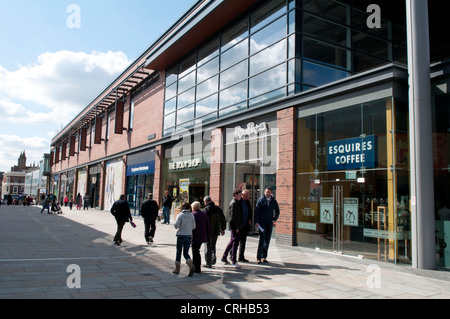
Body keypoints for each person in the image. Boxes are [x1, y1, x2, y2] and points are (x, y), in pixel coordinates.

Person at [254, 187, 280, 264]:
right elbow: (257, 211)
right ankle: (258, 257)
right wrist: (257, 222)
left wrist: (274, 219)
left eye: (269, 192)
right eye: (267, 192)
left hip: (269, 223)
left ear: (271, 193)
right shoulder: (261, 200)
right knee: (262, 240)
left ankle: (264, 257)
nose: (268, 193)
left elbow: (277, 211)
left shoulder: (273, 201)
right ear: (264, 192)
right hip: (262, 223)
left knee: (267, 240)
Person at [173, 202, 196, 277]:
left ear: (182, 208)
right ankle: (190, 265)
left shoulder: (180, 215)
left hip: (181, 235)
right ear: (189, 207)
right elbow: (194, 227)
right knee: (186, 252)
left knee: (178, 252)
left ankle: (177, 269)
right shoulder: (192, 215)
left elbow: (176, 226)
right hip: (189, 235)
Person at [221, 189, 242, 268]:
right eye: (239, 194)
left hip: (235, 226)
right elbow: (233, 217)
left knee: (232, 241)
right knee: (235, 243)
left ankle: (224, 256)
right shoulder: (234, 203)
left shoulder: (236, 202)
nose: (240, 196)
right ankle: (233, 260)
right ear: (235, 195)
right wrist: (236, 227)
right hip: (234, 226)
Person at [203, 196, 226, 268]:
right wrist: (223, 229)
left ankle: (208, 262)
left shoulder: (206, 210)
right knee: (213, 245)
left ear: (206, 202)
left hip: (208, 231)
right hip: (216, 231)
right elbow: (223, 219)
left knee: (208, 246)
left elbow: (204, 222)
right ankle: (213, 258)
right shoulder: (218, 208)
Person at [191, 201, 209, 273]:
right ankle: (197, 267)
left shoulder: (193, 214)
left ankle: (197, 267)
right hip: (202, 235)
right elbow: (208, 225)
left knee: (195, 251)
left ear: (194, 207)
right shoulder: (204, 214)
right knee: (197, 250)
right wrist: (208, 234)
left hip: (195, 235)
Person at [238, 189, 253, 262]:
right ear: (242, 195)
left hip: (245, 225)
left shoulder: (247, 202)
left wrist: (250, 219)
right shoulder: (239, 202)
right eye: (245, 195)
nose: (246, 196)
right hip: (239, 225)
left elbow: (250, 211)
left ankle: (241, 256)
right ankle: (232, 255)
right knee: (236, 241)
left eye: (247, 195)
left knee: (243, 242)